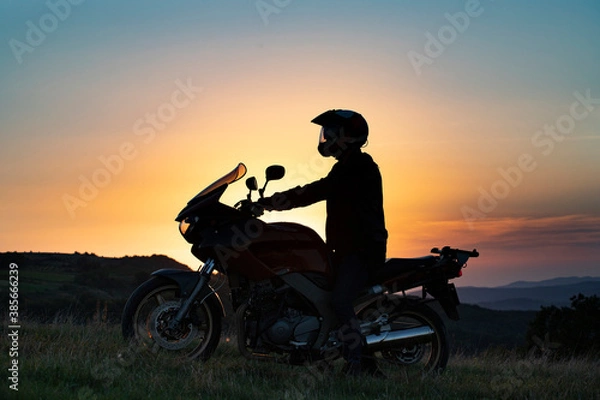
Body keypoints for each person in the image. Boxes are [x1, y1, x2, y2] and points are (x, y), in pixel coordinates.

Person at [258, 109, 388, 376]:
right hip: (344, 251)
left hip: (362, 253)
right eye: (325, 132)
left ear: (347, 137)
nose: (325, 137)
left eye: (330, 132)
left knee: (340, 301)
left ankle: (360, 364)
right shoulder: (346, 168)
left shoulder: (359, 168)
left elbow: (312, 192)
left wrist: (270, 203)